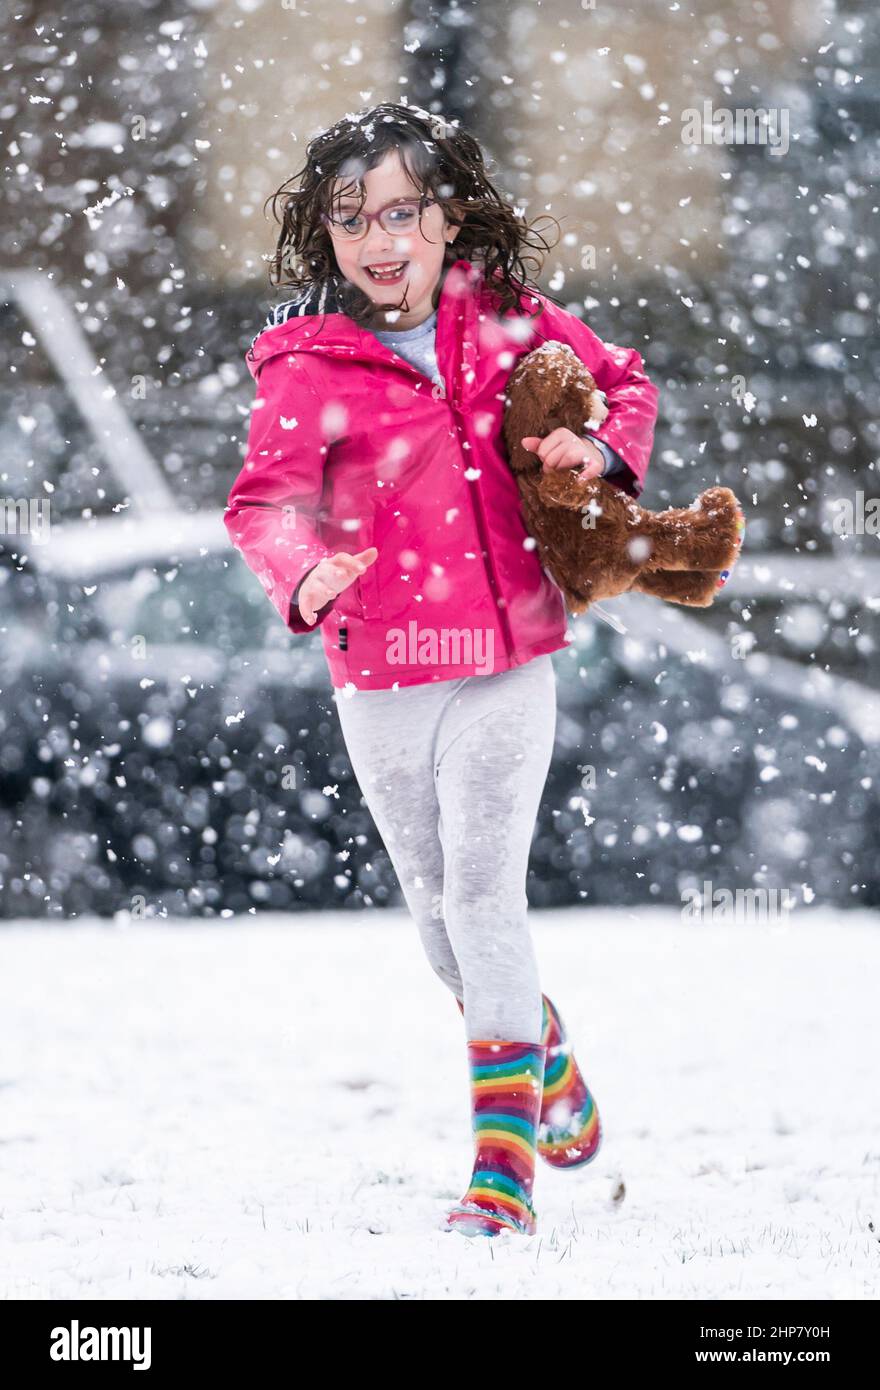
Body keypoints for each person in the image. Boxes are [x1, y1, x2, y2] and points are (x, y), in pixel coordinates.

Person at [224, 101, 658, 1238]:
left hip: (506, 655)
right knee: (435, 923)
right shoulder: (303, 363)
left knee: (482, 894)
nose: (379, 238)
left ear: (447, 218)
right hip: (380, 673)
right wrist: (304, 572)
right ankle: (542, 1057)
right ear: (325, 236)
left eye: (403, 212)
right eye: (350, 217)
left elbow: (626, 383)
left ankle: (501, 1177)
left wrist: (600, 449)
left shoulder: (515, 325)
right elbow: (263, 504)